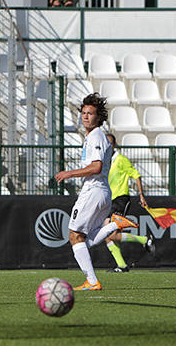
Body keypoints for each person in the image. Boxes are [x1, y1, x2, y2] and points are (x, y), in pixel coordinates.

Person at [54, 93, 138, 291]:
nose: (85, 117)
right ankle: (112, 226)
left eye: (90, 113)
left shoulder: (97, 136)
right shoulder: (93, 136)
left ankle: (92, 281)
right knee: (82, 240)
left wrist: (69, 173)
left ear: (98, 117)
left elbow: (96, 167)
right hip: (101, 192)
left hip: (93, 190)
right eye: (83, 113)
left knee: (75, 235)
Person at [103, 133, 155, 273]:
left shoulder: (120, 160)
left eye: (110, 143)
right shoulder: (104, 161)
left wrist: (141, 195)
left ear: (114, 145)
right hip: (109, 200)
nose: (107, 146)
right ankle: (122, 266)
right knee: (106, 235)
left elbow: (136, 175)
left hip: (120, 199)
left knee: (111, 234)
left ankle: (143, 240)